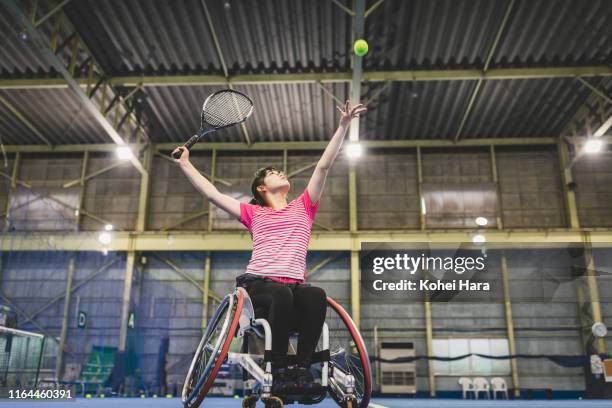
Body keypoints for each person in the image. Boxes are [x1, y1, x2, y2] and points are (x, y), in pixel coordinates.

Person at [172, 100, 366, 395]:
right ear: (261, 188)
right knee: (279, 294)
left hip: (293, 286)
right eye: (274, 172)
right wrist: (185, 163)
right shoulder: (254, 213)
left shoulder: (304, 207)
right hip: (260, 287)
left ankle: (300, 370)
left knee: (316, 295)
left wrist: (342, 127)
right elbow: (212, 194)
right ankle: (276, 369)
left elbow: (324, 166)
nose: (282, 173)